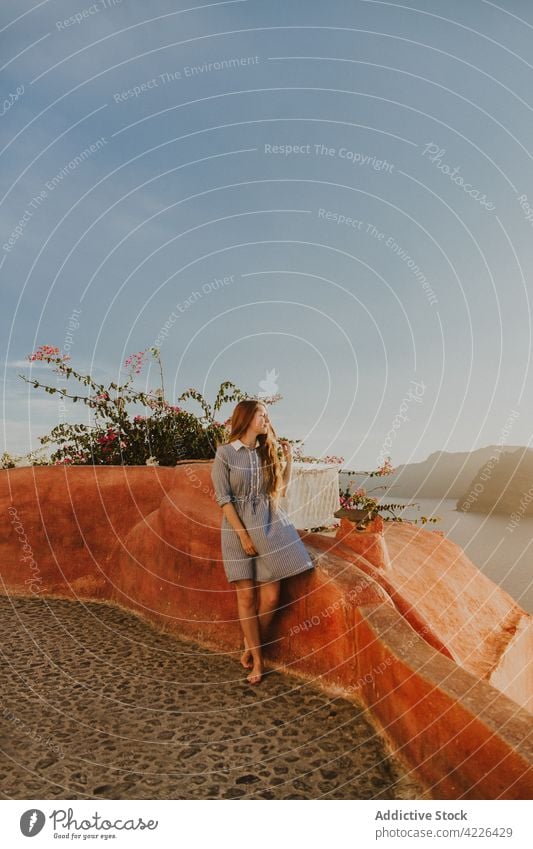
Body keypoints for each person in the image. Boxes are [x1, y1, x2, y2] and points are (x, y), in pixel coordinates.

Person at [210, 400, 315, 685]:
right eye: (262, 414)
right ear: (246, 418)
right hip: (236, 531)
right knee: (246, 597)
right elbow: (223, 498)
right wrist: (243, 535)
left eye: (268, 415)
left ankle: (248, 645)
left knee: (271, 598)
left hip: (267, 529)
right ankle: (258, 660)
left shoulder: (266, 453)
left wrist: (288, 459)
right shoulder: (225, 454)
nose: (267, 419)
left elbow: (278, 491)